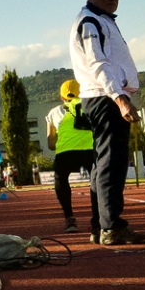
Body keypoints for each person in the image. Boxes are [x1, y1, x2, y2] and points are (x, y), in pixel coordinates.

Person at [70, 0, 145, 245]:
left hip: (104, 98)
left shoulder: (100, 20)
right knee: (111, 165)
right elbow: (98, 64)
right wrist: (119, 98)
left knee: (103, 165)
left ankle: (100, 226)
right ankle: (111, 226)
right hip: (104, 99)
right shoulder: (90, 22)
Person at [44, 79, 93, 232]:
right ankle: (98, 219)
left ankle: (69, 218)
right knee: (98, 182)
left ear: (62, 97)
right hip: (91, 151)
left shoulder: (54, 112)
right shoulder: (91, 107)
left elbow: (51, 144)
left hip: (65, 153)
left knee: (61, 179)